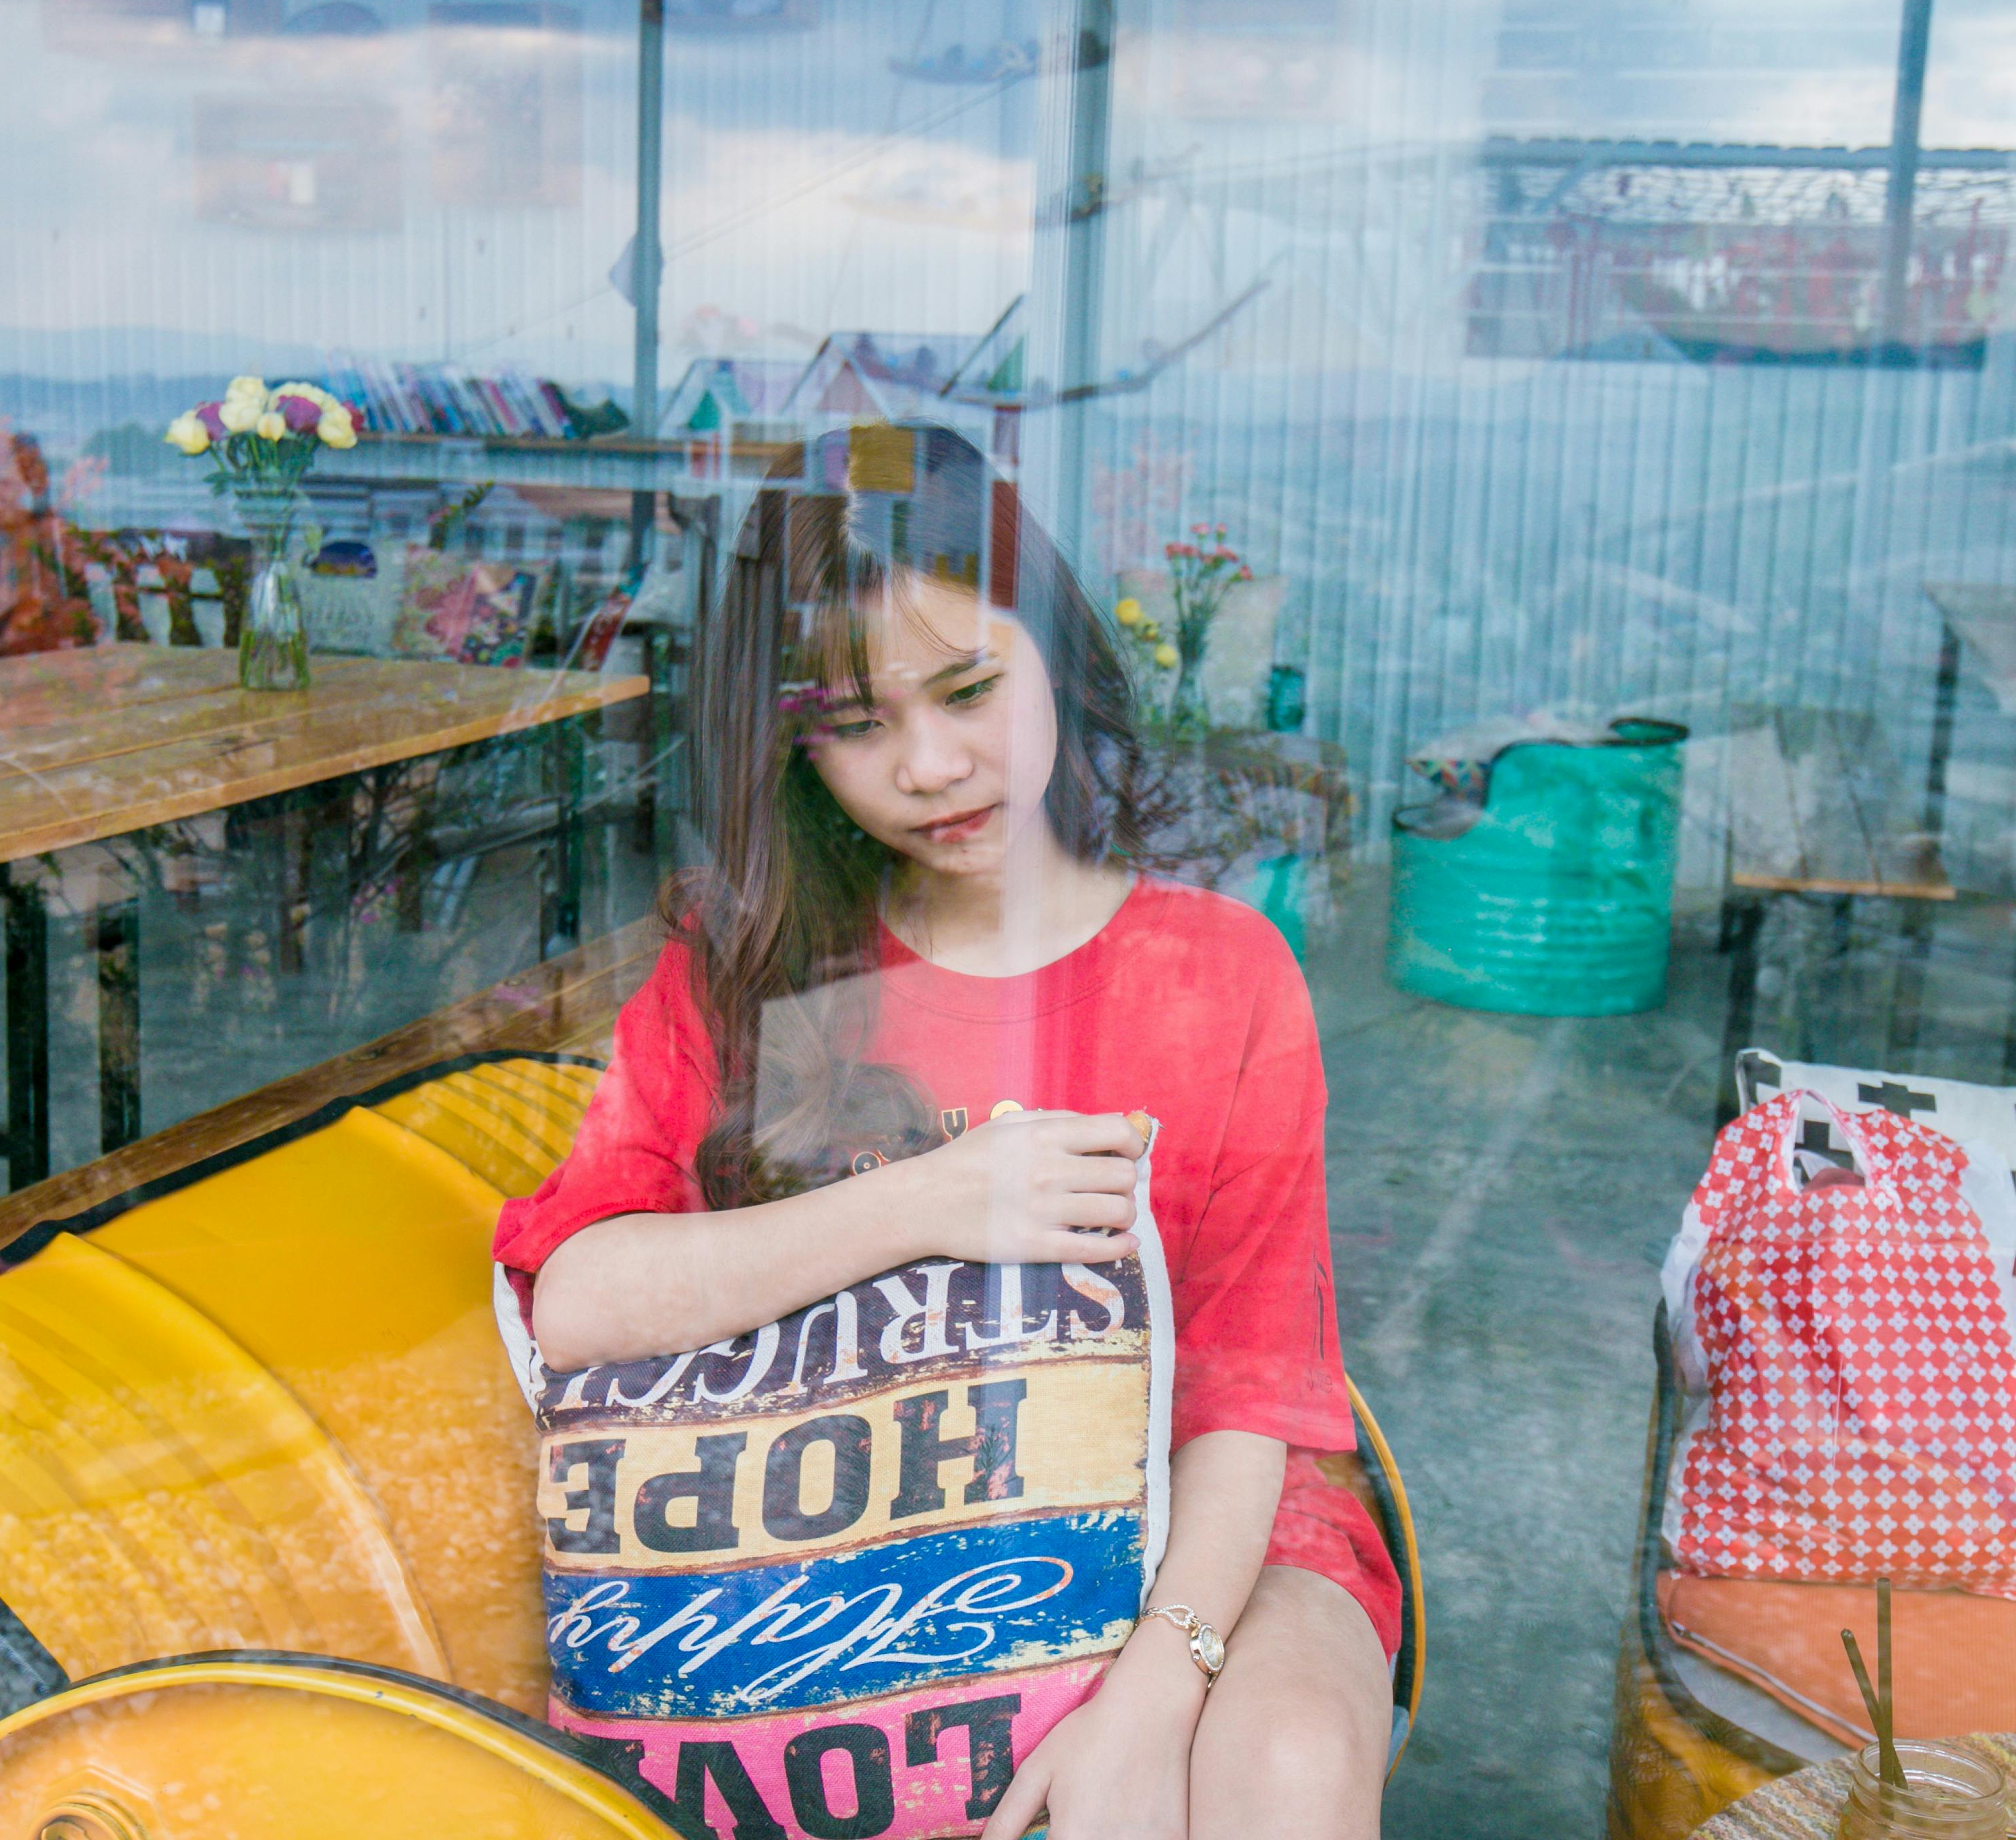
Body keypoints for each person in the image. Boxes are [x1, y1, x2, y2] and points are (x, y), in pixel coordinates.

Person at [495, 425, 1396, 1839]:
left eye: (972, 688)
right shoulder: (747, 974)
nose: (928, 766)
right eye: (852, 725)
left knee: (1275, 1770)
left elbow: (1247, 1389)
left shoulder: (1218, 971)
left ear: (1055, 658)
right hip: (845, 1520)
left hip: (1202, 1517)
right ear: (788, 749)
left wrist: (1151, 1693)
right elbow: (577, 1301)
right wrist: (922, 1205)